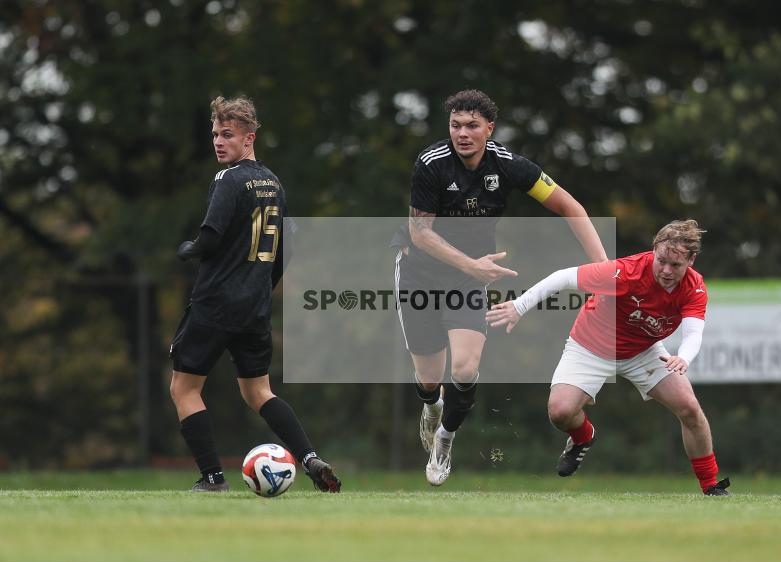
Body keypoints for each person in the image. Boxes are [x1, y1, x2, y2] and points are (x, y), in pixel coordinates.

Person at [392, 89, 608, 486]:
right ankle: (431, 405)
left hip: (470, 277)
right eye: (456, 125)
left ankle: (445, 439)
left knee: (466, 367)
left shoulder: (508, 165)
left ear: (490, 129)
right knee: (428, 380)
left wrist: (603, 267)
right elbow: (419, 233)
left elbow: (570, 207)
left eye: (473, 125)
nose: (463, 133)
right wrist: (471, 264)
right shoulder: (431, 163)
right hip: (421, 272)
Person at [169, 95, 340, 493]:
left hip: (214, 303)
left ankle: (212, 479)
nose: (218, 141)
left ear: (250, 138)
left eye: (227, 134)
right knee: (258, 391)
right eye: (215, 134)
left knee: (184, 388)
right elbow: (287, 247)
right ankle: (309, 457)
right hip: (255, 307)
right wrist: (261, 288)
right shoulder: (273, 182)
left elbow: (209, 239)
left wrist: (188, 249)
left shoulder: (228, 179)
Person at [486, 219, 730, 495]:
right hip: (589, 346)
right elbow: (564, 277)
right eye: (661, 260)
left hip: (643, 352)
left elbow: (694, 333)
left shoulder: (694, 287)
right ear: (654, 250)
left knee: (689, 407)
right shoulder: (626, 272)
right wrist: (519, 306)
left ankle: (711, 486)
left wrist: (683, 358)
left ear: (692, 260)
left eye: (675, 265)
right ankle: (582, 437)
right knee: (560, 412)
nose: (666, 270)